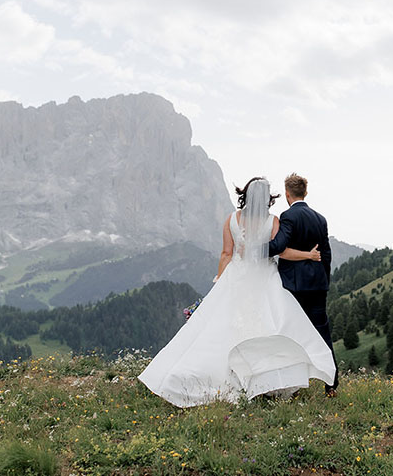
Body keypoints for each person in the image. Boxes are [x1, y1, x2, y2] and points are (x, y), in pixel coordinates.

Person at [138, 177, 337, 407]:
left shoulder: (232, 219)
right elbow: (280, 252)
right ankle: (268, 381)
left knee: (220, 328)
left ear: (246, 194)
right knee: (271, 327)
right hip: (265, 280)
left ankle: (207, 377)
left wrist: (220, 281)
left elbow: (226, 253)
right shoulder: (273, 221)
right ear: (267, 198)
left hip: (237, 277)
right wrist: (309, 255)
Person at [267, 173, 339, 396]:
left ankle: (294, 386)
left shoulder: (288, 216)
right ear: (305, 193)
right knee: (322, 331)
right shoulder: (320, 218)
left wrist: (257, 248)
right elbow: (326, 254)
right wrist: (323, 279)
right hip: (318, 285)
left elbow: (278, 246)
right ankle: (332, 384)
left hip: (293, 286)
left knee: (291, 333)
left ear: (287, 194)